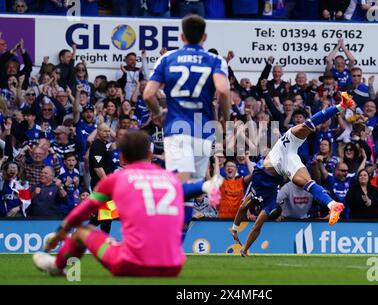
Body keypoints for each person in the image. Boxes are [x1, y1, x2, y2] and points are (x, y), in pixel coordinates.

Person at [32, 130, 221, 276]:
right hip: (173, 266)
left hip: (130, 263)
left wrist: (60, 233)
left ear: (122, 159)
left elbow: (81, 212)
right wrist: (207, 186)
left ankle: (57, 266)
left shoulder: (116, 179)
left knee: (83, 232)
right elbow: (190, 189)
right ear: (150, 155)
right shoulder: (170, 179)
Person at [230, 93, 355, 256]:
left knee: (307, 125)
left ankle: (342, 105)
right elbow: (254, 225)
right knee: (306, 182)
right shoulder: (270, 205)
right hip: (285, 163)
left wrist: (235, 229)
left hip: (283, 150)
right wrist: (243, 247)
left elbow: (245, 213)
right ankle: (332, 205)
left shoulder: (258, 194)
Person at [143, 14, 230, 238]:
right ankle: (175, 251)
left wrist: (158, 112)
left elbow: (148, 94)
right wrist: (224, 119)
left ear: (182, 36)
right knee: (187, 194)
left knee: (179, 189)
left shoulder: (168, 58)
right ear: (204, 37)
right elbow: (222, 90)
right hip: (203, 130)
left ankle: (206, 186)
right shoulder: (216, 61)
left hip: (177, 129)